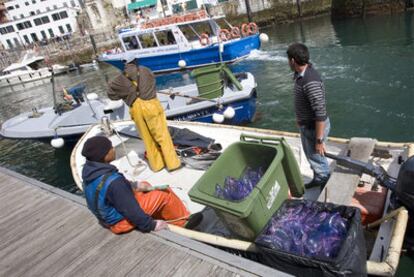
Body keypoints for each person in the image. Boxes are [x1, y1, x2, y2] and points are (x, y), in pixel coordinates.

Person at [81, 135, 201, 234]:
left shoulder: (90, 171)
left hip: (107, 216)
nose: (113, 149)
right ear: (104, 155)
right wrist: (151, 225)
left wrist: (135, 185)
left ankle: (163, 214)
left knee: (145, 185)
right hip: (120, 222)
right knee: (164, 194)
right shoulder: (115, 183)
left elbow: (107, 188)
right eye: (110, 148)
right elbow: (130, 209)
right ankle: (183, 223)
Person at [107, 56, 181, 172]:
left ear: (125, 65)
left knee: (147, 139)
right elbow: (152, 82)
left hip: (136, 109)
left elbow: (112, 95)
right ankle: (173, 164)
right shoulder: (145, 70)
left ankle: (157, 166)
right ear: (135, 61)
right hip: (151, 104)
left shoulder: (117, 80)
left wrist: (126, 94)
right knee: (162, 136)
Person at [287, 43, 331, 190]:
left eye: (288, 60)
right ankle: (318, 179)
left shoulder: (310, 80)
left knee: (317, 159)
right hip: (307, 126)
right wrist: (300, 119)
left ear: (293, 61)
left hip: (314, 129)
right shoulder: (301, 74)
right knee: (312, 157)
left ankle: (326, 187)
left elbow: (320, 113)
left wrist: (319, 140)